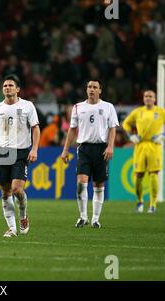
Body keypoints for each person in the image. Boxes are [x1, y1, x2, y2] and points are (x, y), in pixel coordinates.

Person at [0, 74, 40, 237]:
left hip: (21, 152)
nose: (7, 88)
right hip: (2, 152)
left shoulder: (28, 106)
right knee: (5, 192)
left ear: (18, 89)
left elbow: (35, 128)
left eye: (10, 85)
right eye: (5, 86)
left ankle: (23, 216)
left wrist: (34, 149)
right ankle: (12, 228)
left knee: (17, 189)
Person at [60, 80, 119, 228]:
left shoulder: (108, 107)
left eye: (95, 87)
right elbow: (72, 129)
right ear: (86, 90)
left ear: (100, 90)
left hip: (101, 149)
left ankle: (95, 219)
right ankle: (83, 217)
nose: (92, 89)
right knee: (81, 183)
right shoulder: (78, 107)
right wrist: (65, 150)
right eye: (89, 87)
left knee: (98, 184)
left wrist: (111, 146)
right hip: (84, 149)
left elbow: (112, 128)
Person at [122, 90, 165, 213]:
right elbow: (125, 124)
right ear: (143, 98)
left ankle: (153, 204)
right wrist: (130, 136)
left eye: (150, 96)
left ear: (155, 99)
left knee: (154, 174)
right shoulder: (138, 112)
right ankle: (140, 202)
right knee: (138, 176)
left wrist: (164, 135)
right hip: (141, 146)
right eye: (146, 96)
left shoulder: (160, 112)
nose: (148, 98)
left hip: (155, 146)